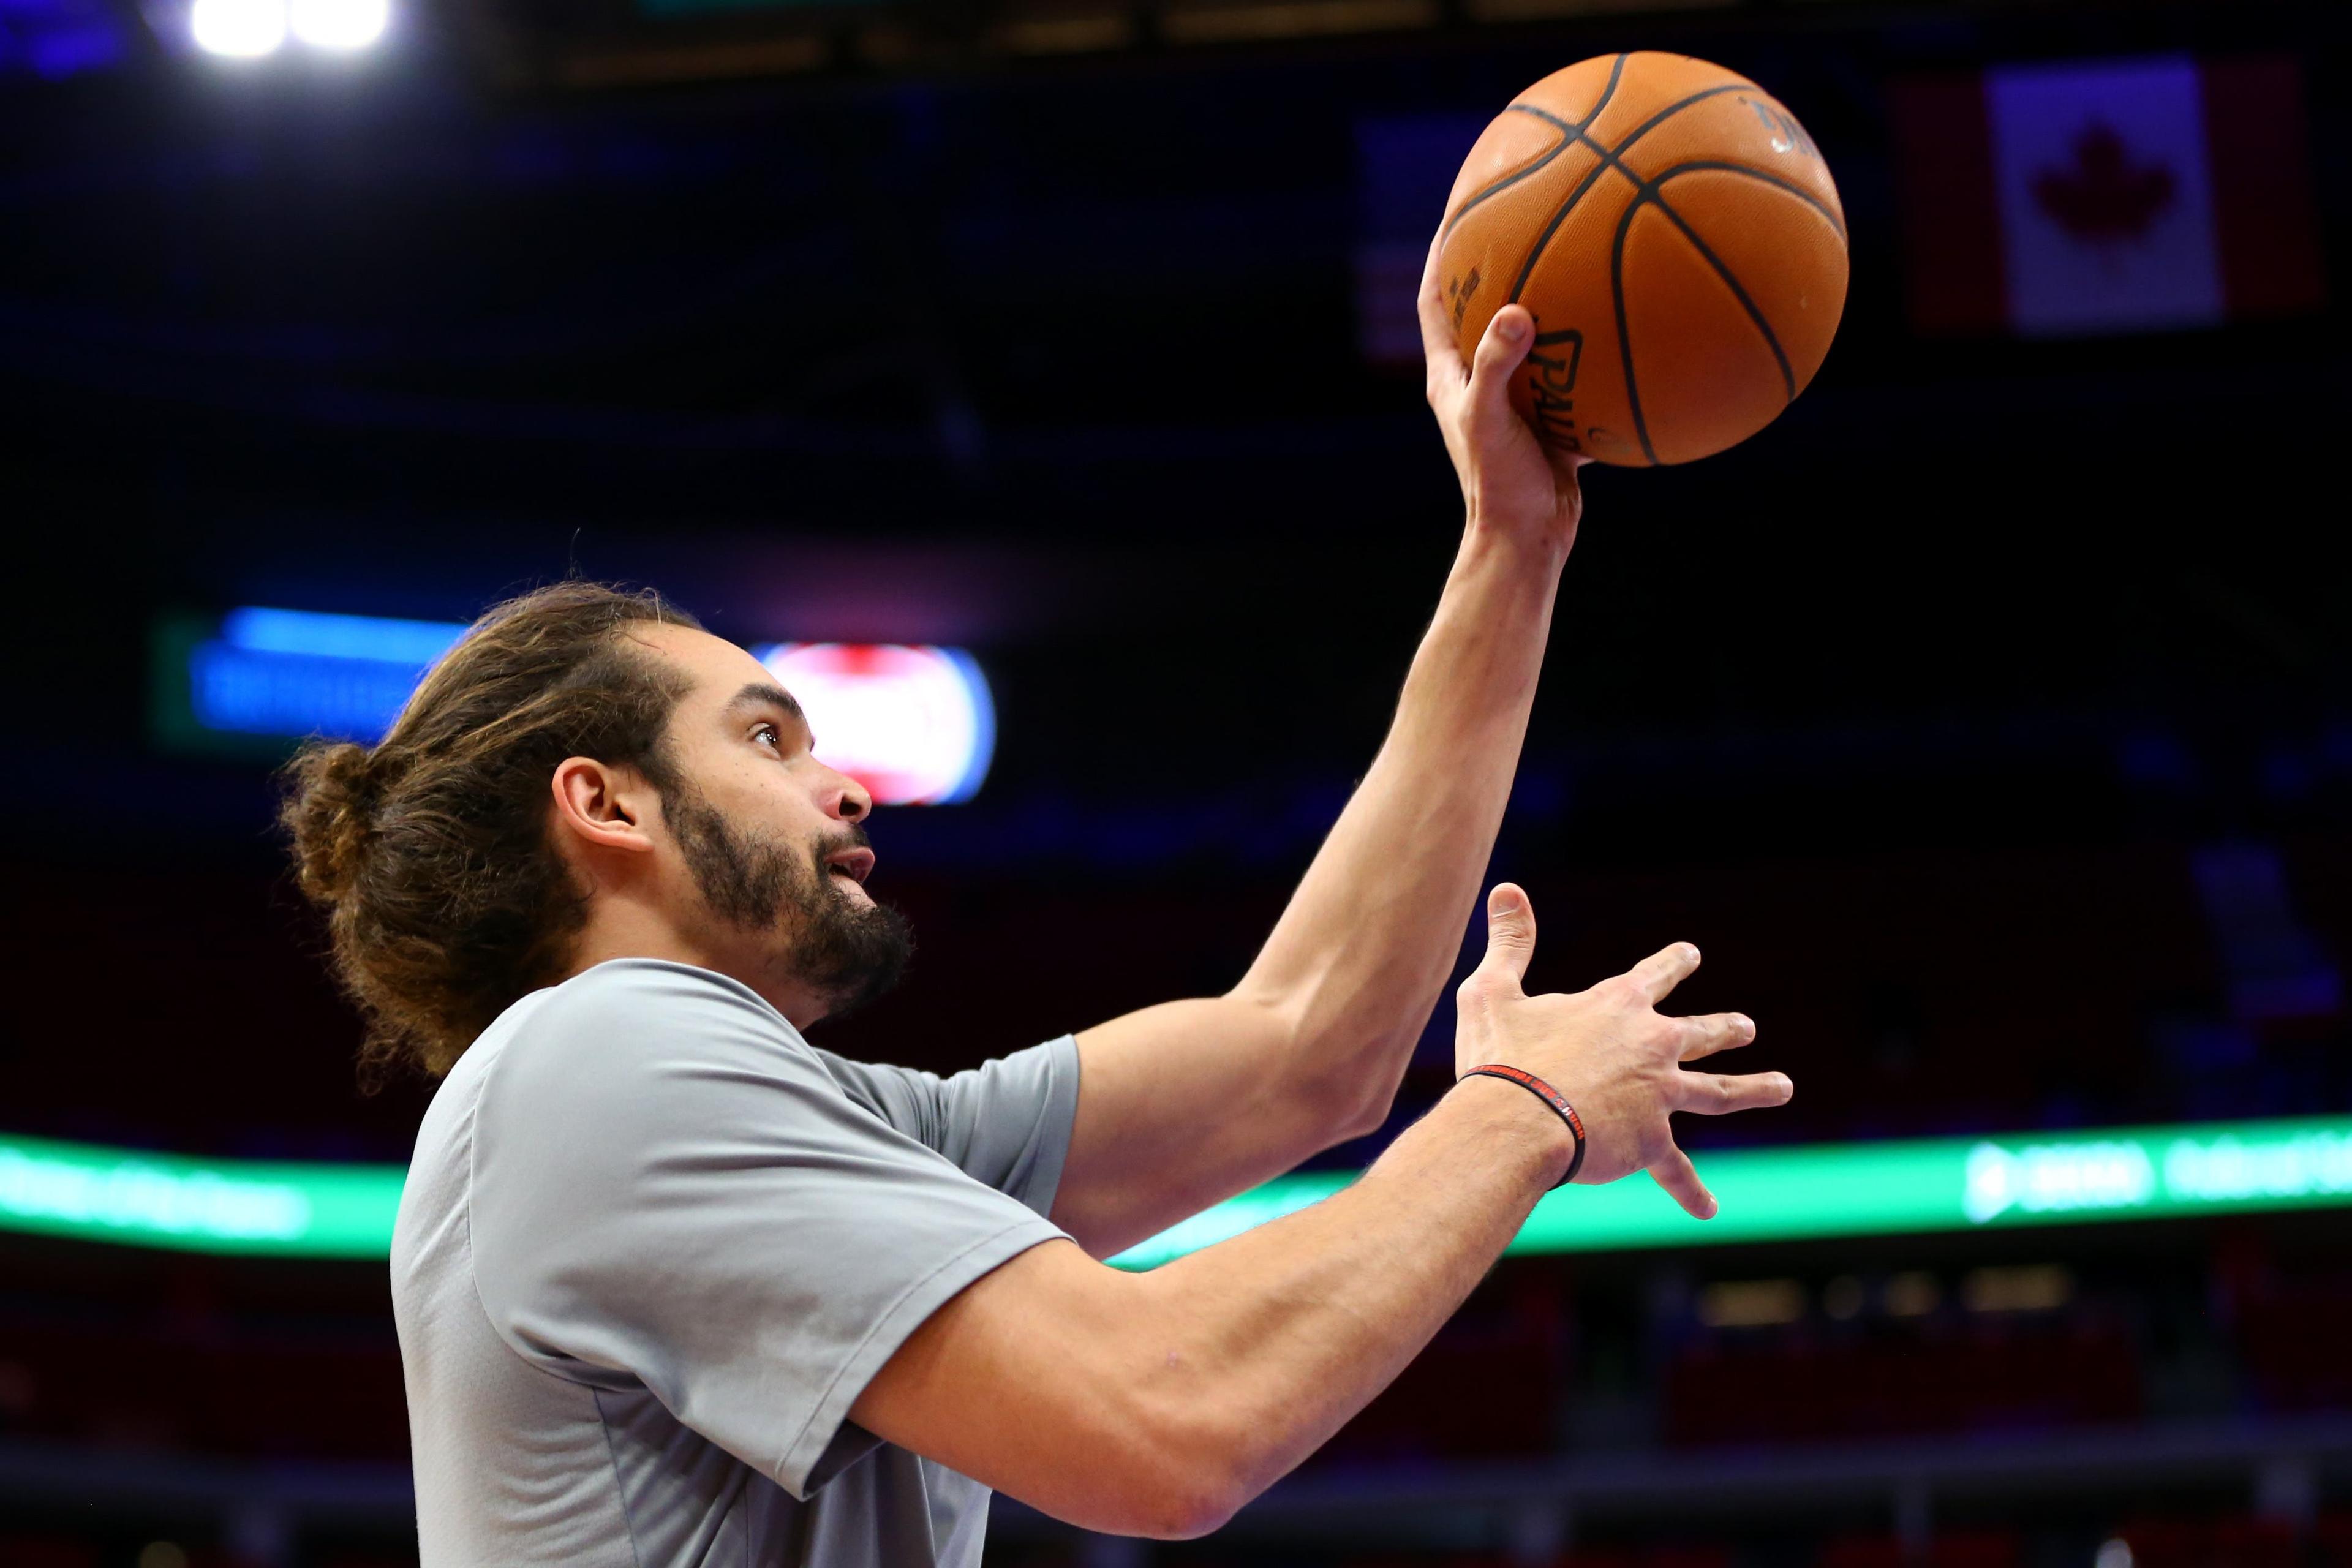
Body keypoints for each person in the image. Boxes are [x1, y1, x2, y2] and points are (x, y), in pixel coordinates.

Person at [279, 259, 1792, 1567]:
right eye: (764, 738)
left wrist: (1511, 549)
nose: (844, 786)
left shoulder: (779, 1117)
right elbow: (1168, 1417)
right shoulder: (601, 1062)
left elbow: (1310, 1048)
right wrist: (1521, 1110)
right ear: (603, 804)